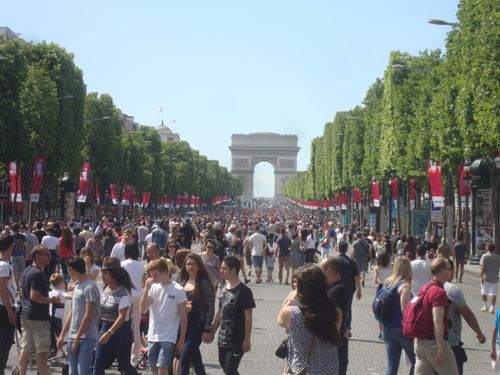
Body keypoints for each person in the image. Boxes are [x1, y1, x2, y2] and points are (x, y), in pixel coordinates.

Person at [278, 265, 341, 374]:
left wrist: (292, 297)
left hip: (302, 368)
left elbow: (280, 321)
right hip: (330, 368)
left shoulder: (291, 313)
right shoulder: (335, 312)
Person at [140, 258, 188, 375]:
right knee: (155, 370)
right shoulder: (153, 288)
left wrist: (182, 339)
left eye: (155, 275)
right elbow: (143, 309)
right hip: (152, 335)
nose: (153, 279)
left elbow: (183, 316)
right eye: (151, 276)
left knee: (163, 368)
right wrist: (146, 289)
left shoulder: (178, 290)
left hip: (169, 336)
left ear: (165, 273)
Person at [209, 256, 256, 375]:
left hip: (237, 340)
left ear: (233, 270)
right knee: (225, 366)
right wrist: (212, 332)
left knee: (230, 369)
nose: (221, 271)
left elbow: (248, 317)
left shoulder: (244, 291)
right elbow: (220, 312)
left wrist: (246, 339)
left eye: (224, 268)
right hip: (223, 338)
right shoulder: (224, 289)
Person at [413, 257, 458, 375]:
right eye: (449, 268)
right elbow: (437, 320)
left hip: (419, 343)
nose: (451, 271)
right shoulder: (439, 292)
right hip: (433, 343)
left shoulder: (425, 288)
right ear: (442, 271)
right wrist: (441, 347)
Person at [93, 257, 138, 375]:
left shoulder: (123, 292)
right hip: (105, 326)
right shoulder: (104, 289)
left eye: (105, 272)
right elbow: (100, 312)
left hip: (121, 330)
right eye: (102, 272)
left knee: (124, 365)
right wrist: (97, 329)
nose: (103, 275)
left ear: (114, 274)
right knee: (98, 362)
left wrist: (109, 333)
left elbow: (122, 317)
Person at [19, 245, 58, 375]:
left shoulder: (27, 270)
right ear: (37, 256)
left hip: (26, 314)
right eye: (46, 255)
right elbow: (34, 296)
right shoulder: (37, 273)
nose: (50, 257)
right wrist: (51, 300)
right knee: (42, 352)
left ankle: (22, 372)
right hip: (37, 316)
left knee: (26, 349)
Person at [57, 256, 100, 375]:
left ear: (72, 270)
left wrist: (77, 338)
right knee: (73, 371)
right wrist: (62, 335)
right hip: (73, 334)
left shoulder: (90, 287)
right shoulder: (77, 286)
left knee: (83, 371)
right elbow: (72, 312)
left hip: (87, 336)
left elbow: (88, 315)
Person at [444, 260, 486, 375]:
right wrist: (479, 333)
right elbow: (467, 315)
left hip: (428, 343)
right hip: (450, 342)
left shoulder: (426, 286)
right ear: (450, 271)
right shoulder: (452, 289)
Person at [178, 253, 215, 375]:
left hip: (197, 325)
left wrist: (207, 329)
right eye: (188, 264)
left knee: (184, 359)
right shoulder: (182, 281)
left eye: (193, 264)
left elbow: (210, 307)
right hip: (183, 325)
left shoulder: (204, 283)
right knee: (196, 359)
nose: (190, 267)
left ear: (199, 266)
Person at [381, 257, 415, 375]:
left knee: (392, 363)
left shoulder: (387, 282)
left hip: (387, 327)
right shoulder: (405, 286)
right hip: (401, 329)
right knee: (416, 360)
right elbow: (405, 311)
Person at [320, 257, 349, 375]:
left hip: (335, 342)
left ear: (329, 271)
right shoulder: (332, 287)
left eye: (321, 272)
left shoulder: (337, 290)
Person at [121, 243, 146, 366]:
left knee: (123, 325)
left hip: (126, 295)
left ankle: (122, 356)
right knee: (136, 328)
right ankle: (134, 359)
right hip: (138, 295)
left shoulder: (123, 264)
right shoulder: (142, 266)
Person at [337, 239, 362, 337]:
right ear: (347, 249)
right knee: (348, 308)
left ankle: (338, 327)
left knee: (337, 307)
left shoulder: (335, 261)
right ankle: (347, 328)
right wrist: (359, 290)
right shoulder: (351, 262)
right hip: (349, 288)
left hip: (337, 288)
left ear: (338, 248)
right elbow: (356, 277)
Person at [0, 235, 15, 375]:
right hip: (4, 307)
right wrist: (10, 310)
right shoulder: (4, 265)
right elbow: (2, 288)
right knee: (5, 342)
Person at [48, 273, 69, 358]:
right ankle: (61, 351)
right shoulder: (60, 292)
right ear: (60, 284)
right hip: (57, 318)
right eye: (63, 282)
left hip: (51, 316)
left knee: (53, 334)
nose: (64, 283)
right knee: (59, 335)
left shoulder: (51, 292)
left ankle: (54, 351)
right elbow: (68, 296)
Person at [480, 243, 500, 313]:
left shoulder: (484, 256)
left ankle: (485, 306)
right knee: (493, 293)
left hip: (486, 278)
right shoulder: (498, 257)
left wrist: (481, 276)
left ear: (487, 248)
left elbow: (482, 267)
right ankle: (492, 307)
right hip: (494, 278)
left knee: (484, 292)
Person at [11, 223, 29, 289]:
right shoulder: (22, 236)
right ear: (18, 228)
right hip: (21, 255)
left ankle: (17, 287)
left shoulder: (10, 236)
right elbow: (26, 246)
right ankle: (21, 285)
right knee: (22, 271)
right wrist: (27, 253)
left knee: (15, 272)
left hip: (13, 255)